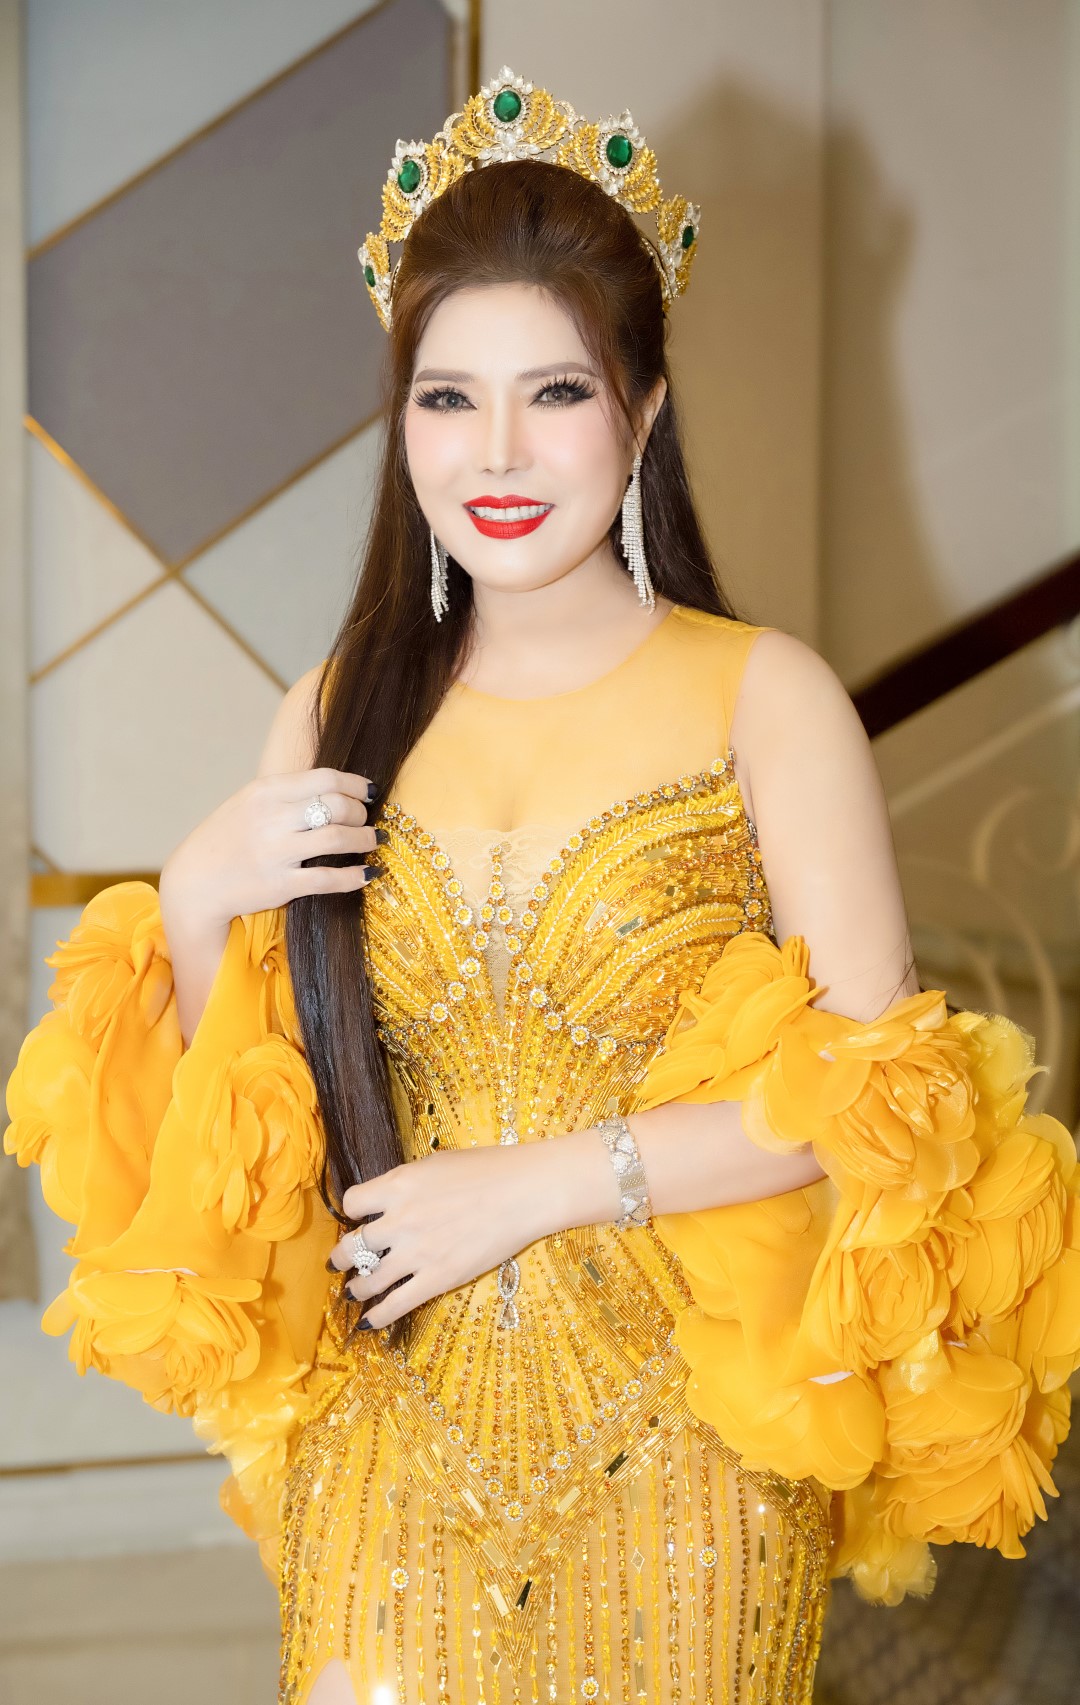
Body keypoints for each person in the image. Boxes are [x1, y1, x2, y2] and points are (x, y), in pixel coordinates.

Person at [5, 66, 1079, 1705]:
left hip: (693, 1455)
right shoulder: (336, 704)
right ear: (401, 421)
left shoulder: (766, 696)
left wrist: (538, 1183)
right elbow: (271, 1122)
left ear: (641, 414)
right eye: (448, 397)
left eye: (555, 392)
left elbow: (879, 1104)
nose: (495, 451)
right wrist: (202, 901)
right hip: (385, 1442)